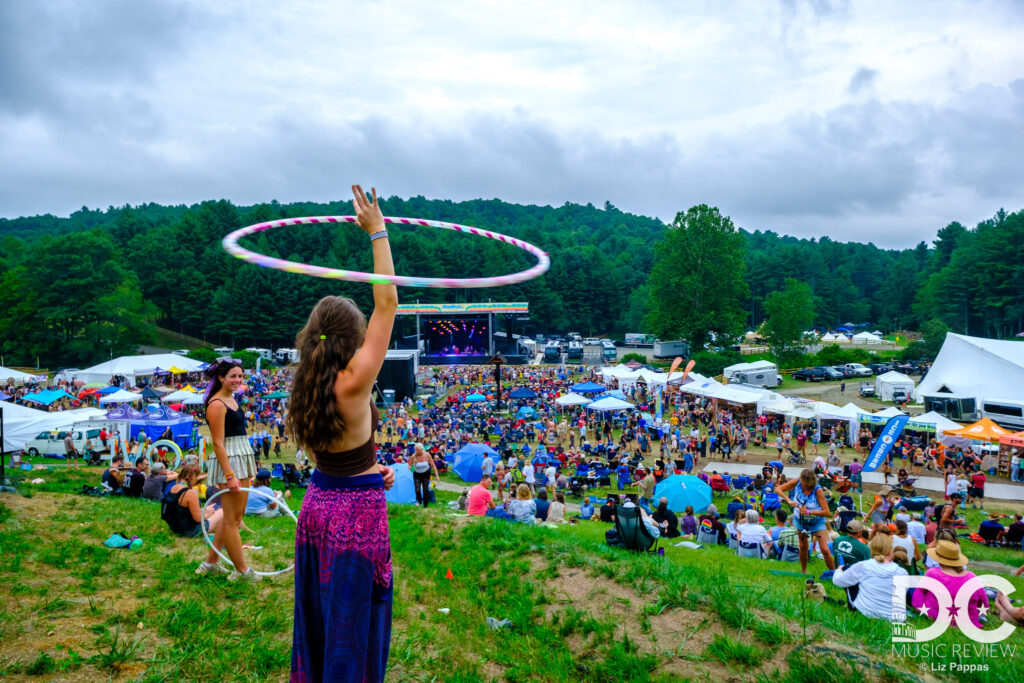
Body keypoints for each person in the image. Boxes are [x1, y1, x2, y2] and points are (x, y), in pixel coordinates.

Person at [287, 185, 398, 683]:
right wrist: (377, 231)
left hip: (318, 506)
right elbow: (388, 303)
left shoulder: (306, 382)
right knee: (352, 621)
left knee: (320, 614)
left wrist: (374, 470)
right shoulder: (354, 383)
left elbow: (339, 460)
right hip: (355, 514)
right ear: (353, 341)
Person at [195, 358, 258, 582]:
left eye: (240, 376)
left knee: (234, 517)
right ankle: (242, 572)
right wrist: (229, 475)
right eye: (233, 376)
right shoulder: (217, 404)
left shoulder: (231, 399)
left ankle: (210, 564)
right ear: (220, 378)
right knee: (232, 520)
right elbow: (218, 443)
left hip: (241, 459)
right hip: (229, 463)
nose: (237, 380)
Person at [911, 540, 990, 628]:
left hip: (938, 616)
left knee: (916, 589)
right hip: (968, 619)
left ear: (939, 560)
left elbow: (918, 594)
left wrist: (924, 609)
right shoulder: (972, 577)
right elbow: (984, 601)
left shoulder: (932, 573)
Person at [832, 531, 908, 619]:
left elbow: (837, 581)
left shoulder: (864, 566)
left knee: (848, 573)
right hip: (896, 619)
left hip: (866, 613)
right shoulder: (902, 572)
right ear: (891, 551)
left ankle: (853, 607)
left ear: (871, 550)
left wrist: (839, 570)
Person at [777, 469, 836, 574]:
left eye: (805, 484)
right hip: (800, 519)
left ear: (811, 482)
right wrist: (788, 499)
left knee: (825, 550)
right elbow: (778, 489)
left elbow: (827, 512)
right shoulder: (797, 481)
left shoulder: (818, 491)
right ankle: (803, 572)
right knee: (803, 546)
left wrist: (809, 512)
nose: (803, 485)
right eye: (802, 483)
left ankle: (834, 574)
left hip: (816, 521)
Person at [163, 464, 223, 537]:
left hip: (175, 528)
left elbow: (182, 510)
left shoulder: (174, 487)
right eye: (196, 477)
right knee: (223, 511)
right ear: (189, 476)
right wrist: (209, 515)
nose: (197, 479)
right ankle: (237, 528)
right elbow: (198, 518)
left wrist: (205, 510)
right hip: (191, 530)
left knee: (212, 506)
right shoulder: (190, 493)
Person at [410, 443, 439, 507]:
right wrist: (411, 467)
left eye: (418, 450)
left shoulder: (427, 455)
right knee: (417, 490)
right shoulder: (413, 456)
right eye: (416, 450)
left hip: (426, 474)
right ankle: (419, 501)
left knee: (425, 490)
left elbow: (433, 465)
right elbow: (409, 465)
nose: (416, 452)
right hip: (417, 474)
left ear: (422, 449)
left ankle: (425, 504)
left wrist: (437, 476)